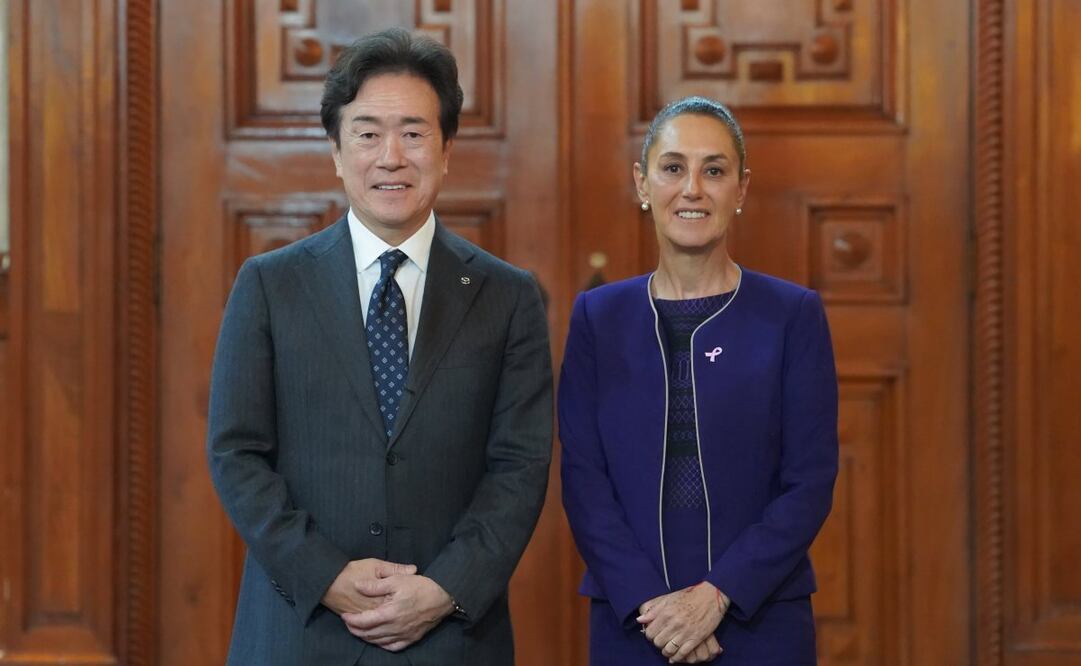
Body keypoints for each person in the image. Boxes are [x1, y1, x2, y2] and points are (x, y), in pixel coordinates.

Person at [207, 28, 552, 665]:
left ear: (447, 148)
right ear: (337, 151)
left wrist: (445, 588)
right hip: (299, 630)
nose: (391, 156)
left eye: (414, 133)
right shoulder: (270, 285)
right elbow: (236, 452)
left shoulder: (508, 297)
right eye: (367, 134)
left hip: (452, 637)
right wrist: (327, 577)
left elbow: (520, 468)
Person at [559, 96, 838, 665]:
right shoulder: (597, 317)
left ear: (740, 189)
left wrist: (717, 596)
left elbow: (809, 482)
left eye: (714, 170)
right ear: (643, 184)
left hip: (760, 615)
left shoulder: (791, 314)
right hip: (633, 621)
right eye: (672, 167)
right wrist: (652, 605)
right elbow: (584, 481)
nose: (693, 188)